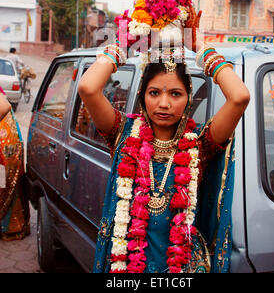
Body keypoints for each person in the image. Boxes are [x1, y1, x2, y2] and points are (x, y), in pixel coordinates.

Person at [78, 41, 250, 273]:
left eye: (175, 94)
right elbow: (88, 88)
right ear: (142, 95)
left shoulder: (200, 143)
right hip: (127, 267)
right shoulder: (123, 134)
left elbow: (239, 97)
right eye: (154, 93)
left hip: (182, 267)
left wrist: (200, 48)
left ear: (189, 98)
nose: (164, 104)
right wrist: (127, 41)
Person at [0, 86, 30, 240]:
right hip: (7, 141)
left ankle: (11, 227)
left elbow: (4, 105)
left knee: (4, 184)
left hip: (5, 143)